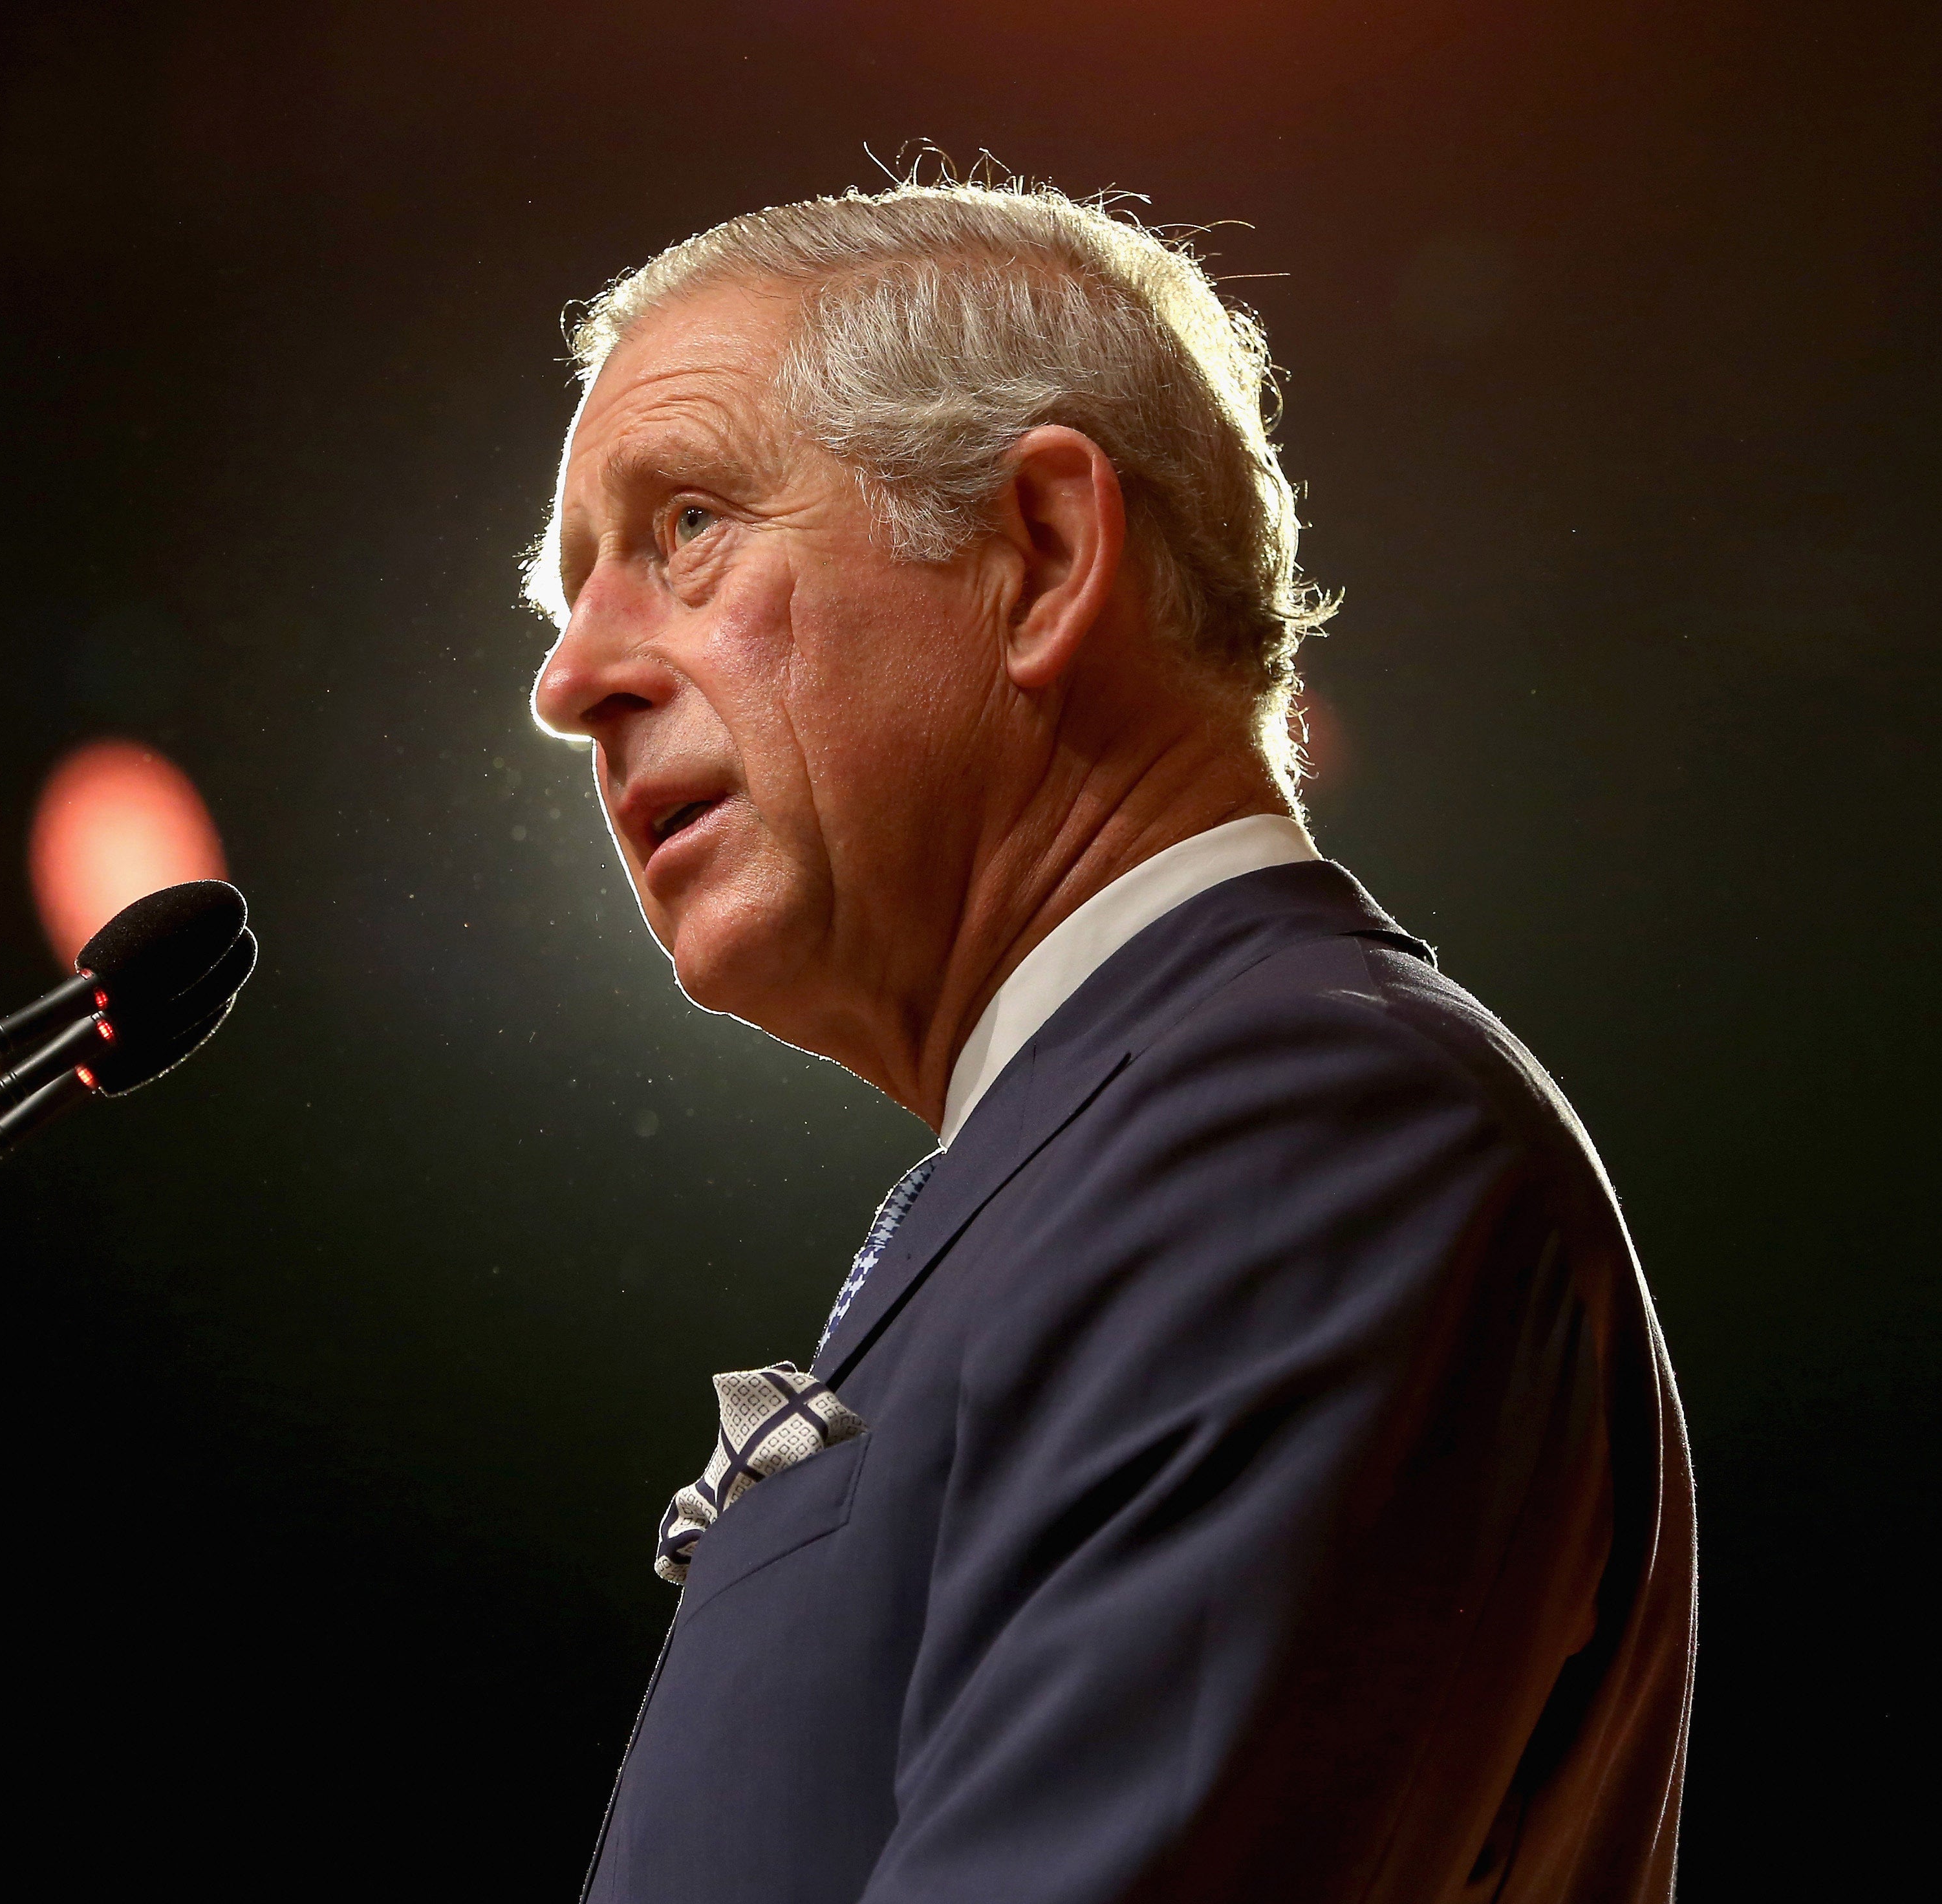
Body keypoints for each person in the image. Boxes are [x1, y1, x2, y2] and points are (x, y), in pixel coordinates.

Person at [525, 181, 1694, 1904]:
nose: (575, 682)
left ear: (1045, 556)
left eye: (686, 523)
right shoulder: (1116, 1140)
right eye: (571, 596)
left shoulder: (1308, 1130)